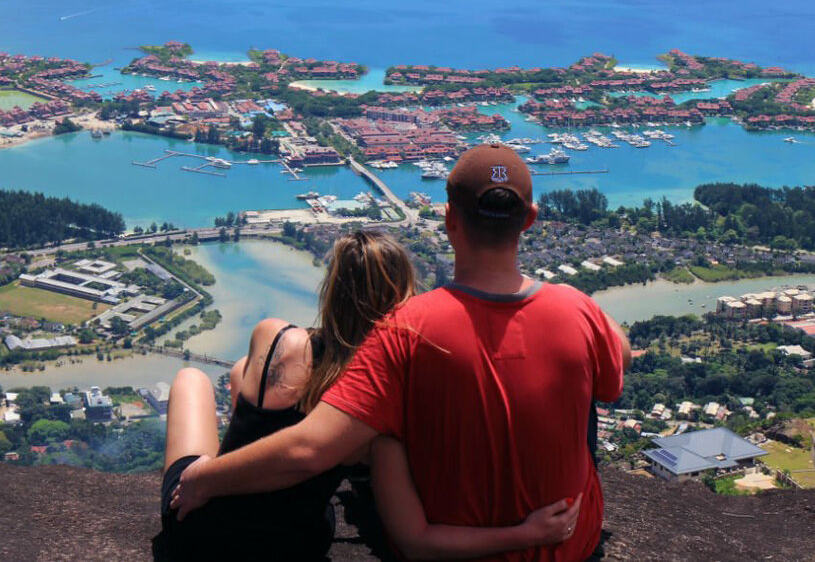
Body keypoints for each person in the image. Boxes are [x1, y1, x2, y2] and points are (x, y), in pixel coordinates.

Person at [174, 144, 632, 561]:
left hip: (446, 547)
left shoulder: (407, 329)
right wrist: (574, 304)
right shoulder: (577, 309)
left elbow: (310, 448)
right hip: (573, 542)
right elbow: (620, 360)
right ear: (529, 219)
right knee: (582, 385)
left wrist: (203, 479)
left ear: (450, 218)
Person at [156, 228, 579, 560]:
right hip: (289, 546)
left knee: (194, 378)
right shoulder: (381, 405)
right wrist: (526, 534)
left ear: (333, 289)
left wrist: (205, 474)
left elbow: (256, 390)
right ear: (405, 296)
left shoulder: (275, 335)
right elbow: (416, 541)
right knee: (240, 375)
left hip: (197, 531)